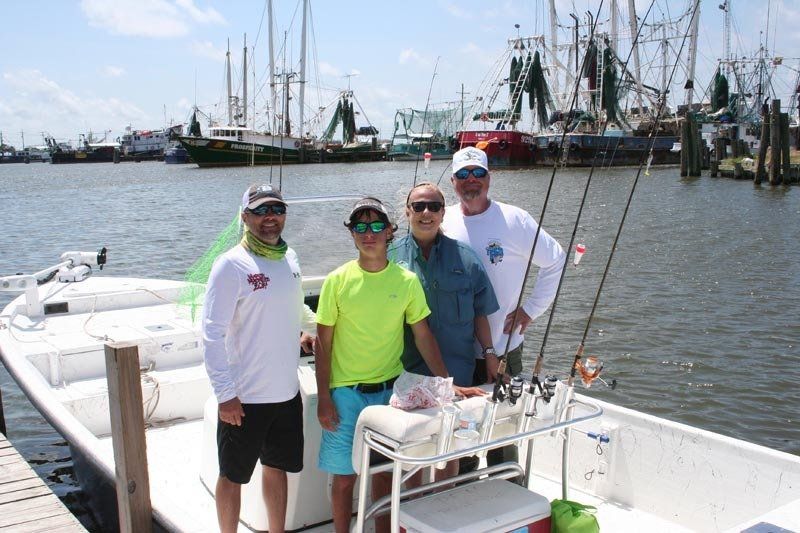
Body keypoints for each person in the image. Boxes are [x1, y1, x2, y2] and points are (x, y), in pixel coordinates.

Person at [315, 197, 482, 533]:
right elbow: (323, 343)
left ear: (390, 230)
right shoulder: (336, 280)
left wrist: (447, 384)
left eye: (377, 225)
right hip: (345, 395)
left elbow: (423, 337)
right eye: (360, 226)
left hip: (391, 394)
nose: (369, 233)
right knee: (345, 478)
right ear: (352, 233)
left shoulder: (406, 281)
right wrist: (323, 398)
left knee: (385, 474)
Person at [441, 147, 566, 469]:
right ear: (453, 181)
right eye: (464, 175)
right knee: (462, 429)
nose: (472, 181)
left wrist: (531, 309)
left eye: (478, 173)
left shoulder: (514, 219)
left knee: (503, 426)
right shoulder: (443, 220)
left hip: (504, 345)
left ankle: (509, 485)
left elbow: (556, 260)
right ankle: (465, 489)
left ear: (489, 178)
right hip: (456, 349)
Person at [202, 184, 314, 533]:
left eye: (277, 210)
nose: (270, 218)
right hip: (244, 398)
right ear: (244, 217)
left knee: (276, 467)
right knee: (232, 475)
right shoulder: (230, 265)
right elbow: (210, 335)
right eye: (261, 211)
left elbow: (298, 310)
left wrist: (314, 329)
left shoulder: (290, 257)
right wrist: (225, 395)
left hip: (285, 392)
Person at [388, 182, 497, 481]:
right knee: (407, 452)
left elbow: (480, 313)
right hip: (405, 374)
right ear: (407, 211)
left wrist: (489, 355)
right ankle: (409, 514)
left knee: (450, 451)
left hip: (456, 372)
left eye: (434, 206)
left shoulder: (466, 257)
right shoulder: (387, 257)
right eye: (419, 206)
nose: (426, 213)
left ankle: (444, 508)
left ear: (443, 212)